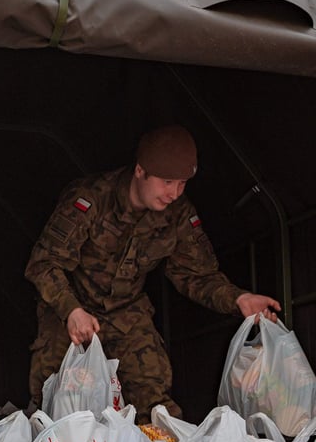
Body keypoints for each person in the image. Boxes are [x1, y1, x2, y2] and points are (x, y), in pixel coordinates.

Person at [24, 124, 280, 423]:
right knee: (55, 399)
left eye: (182, 183)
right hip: (67, 309)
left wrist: (240, 299)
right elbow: (44, 264)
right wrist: (71, 310)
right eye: (167, 181)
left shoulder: (178, 215)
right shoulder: (90, 199)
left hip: (127, 314)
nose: (174, 193)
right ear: (140, 171)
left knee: (156, 403)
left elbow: (196, 275)